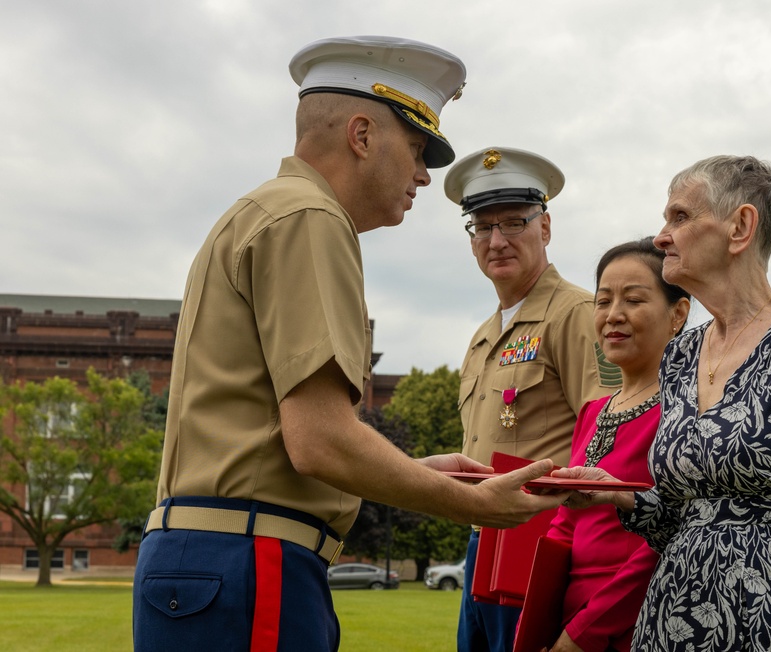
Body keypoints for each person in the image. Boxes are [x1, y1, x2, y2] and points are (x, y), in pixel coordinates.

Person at [132, 37, 568, 652]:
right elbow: (320, 440)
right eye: (417, 149)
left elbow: (268, 440)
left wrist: (407, 472)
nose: (422, 174)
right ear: (362, 135)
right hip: (250, 560)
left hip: (209, 556)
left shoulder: (258, 210)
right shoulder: (312, 217)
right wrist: (456, 501)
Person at [557, 155, 771, 651]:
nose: (661, 237)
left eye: (680, 217)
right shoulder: (679, 355)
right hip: (673, 621)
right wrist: (619, 494)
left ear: (740, 227)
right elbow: (681, 515)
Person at [444, 147, 619, 652]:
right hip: (482, 542)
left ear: (545, 227)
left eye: (514, 222)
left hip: (541, 539)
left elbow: (608, 428)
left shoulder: (578, 314)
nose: (496, 240)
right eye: (482, 226)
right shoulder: (483, 336)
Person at [538, 237, 690, 652]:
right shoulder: (593, 410)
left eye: (634, 300)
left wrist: (581, 636)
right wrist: (538, 619)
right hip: (567, 620)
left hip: (635, 623)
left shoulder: (686, 410)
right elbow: (566, 522)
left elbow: (666, 539)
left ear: (678, 314)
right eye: (603, 301)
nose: (613, 315)